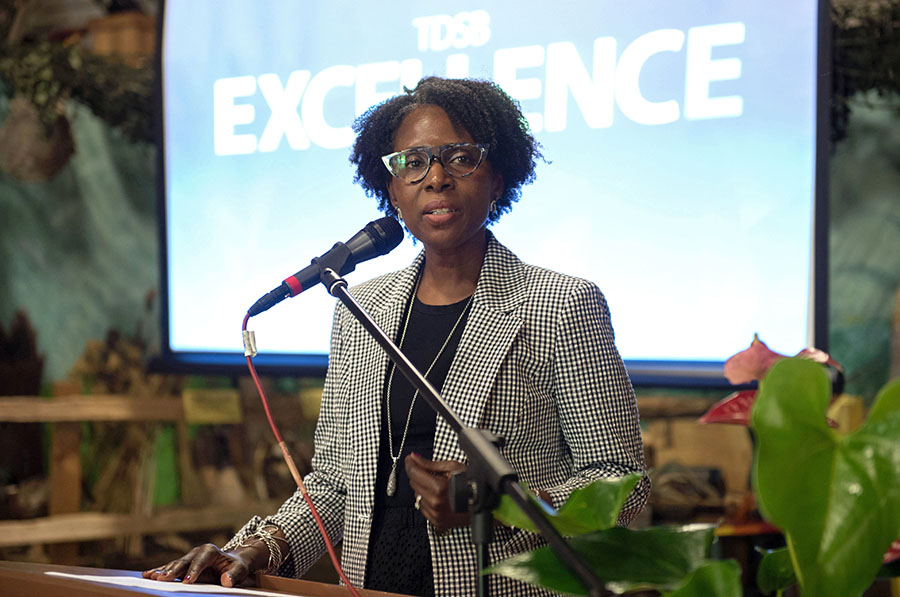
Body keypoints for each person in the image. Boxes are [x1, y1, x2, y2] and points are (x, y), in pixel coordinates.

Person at [143, 77, 649, 596]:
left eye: (459, 158)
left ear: (498, 178)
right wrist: (258, 548)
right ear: (391, 191)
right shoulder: (361, 309)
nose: (436, 178)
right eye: (413, 162)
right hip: (376, 585)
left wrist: (494, 504)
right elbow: (336, 485)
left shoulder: (561, 304)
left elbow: (621, 484)